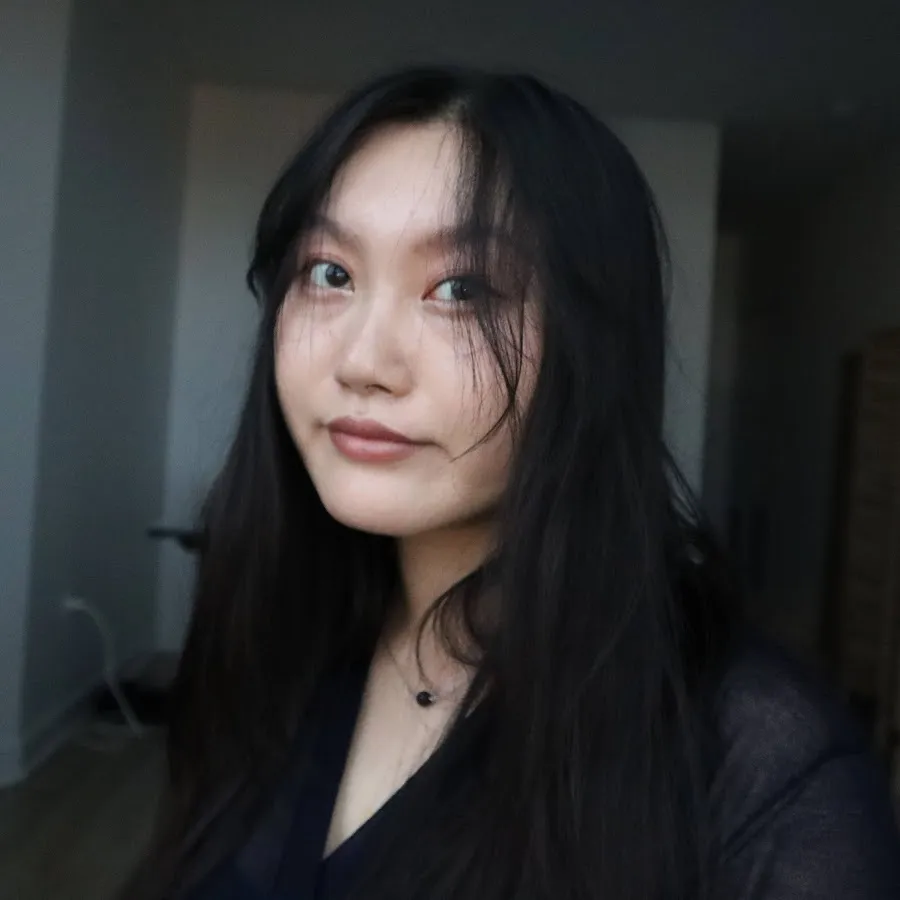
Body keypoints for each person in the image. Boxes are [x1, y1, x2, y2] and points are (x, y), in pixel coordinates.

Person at [121, 67, 900, 900]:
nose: (362, 361)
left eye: (461, 290)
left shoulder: (760, 767)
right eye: (329, 273)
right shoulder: (272, 631)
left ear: (590, 348)